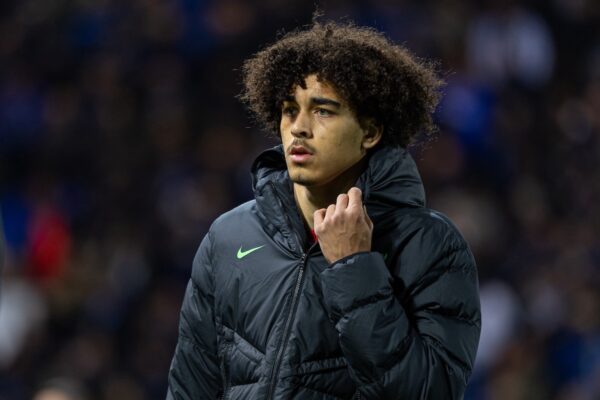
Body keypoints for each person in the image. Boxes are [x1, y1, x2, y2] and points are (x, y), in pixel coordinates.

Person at [167, 20, 480, 399]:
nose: (298, 128)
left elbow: (430, 393)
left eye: (323, 111)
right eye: (288, 110)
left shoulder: (429, 244)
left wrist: (355, 270)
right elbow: (190, 388)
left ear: (370, 132)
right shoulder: (228, 236)